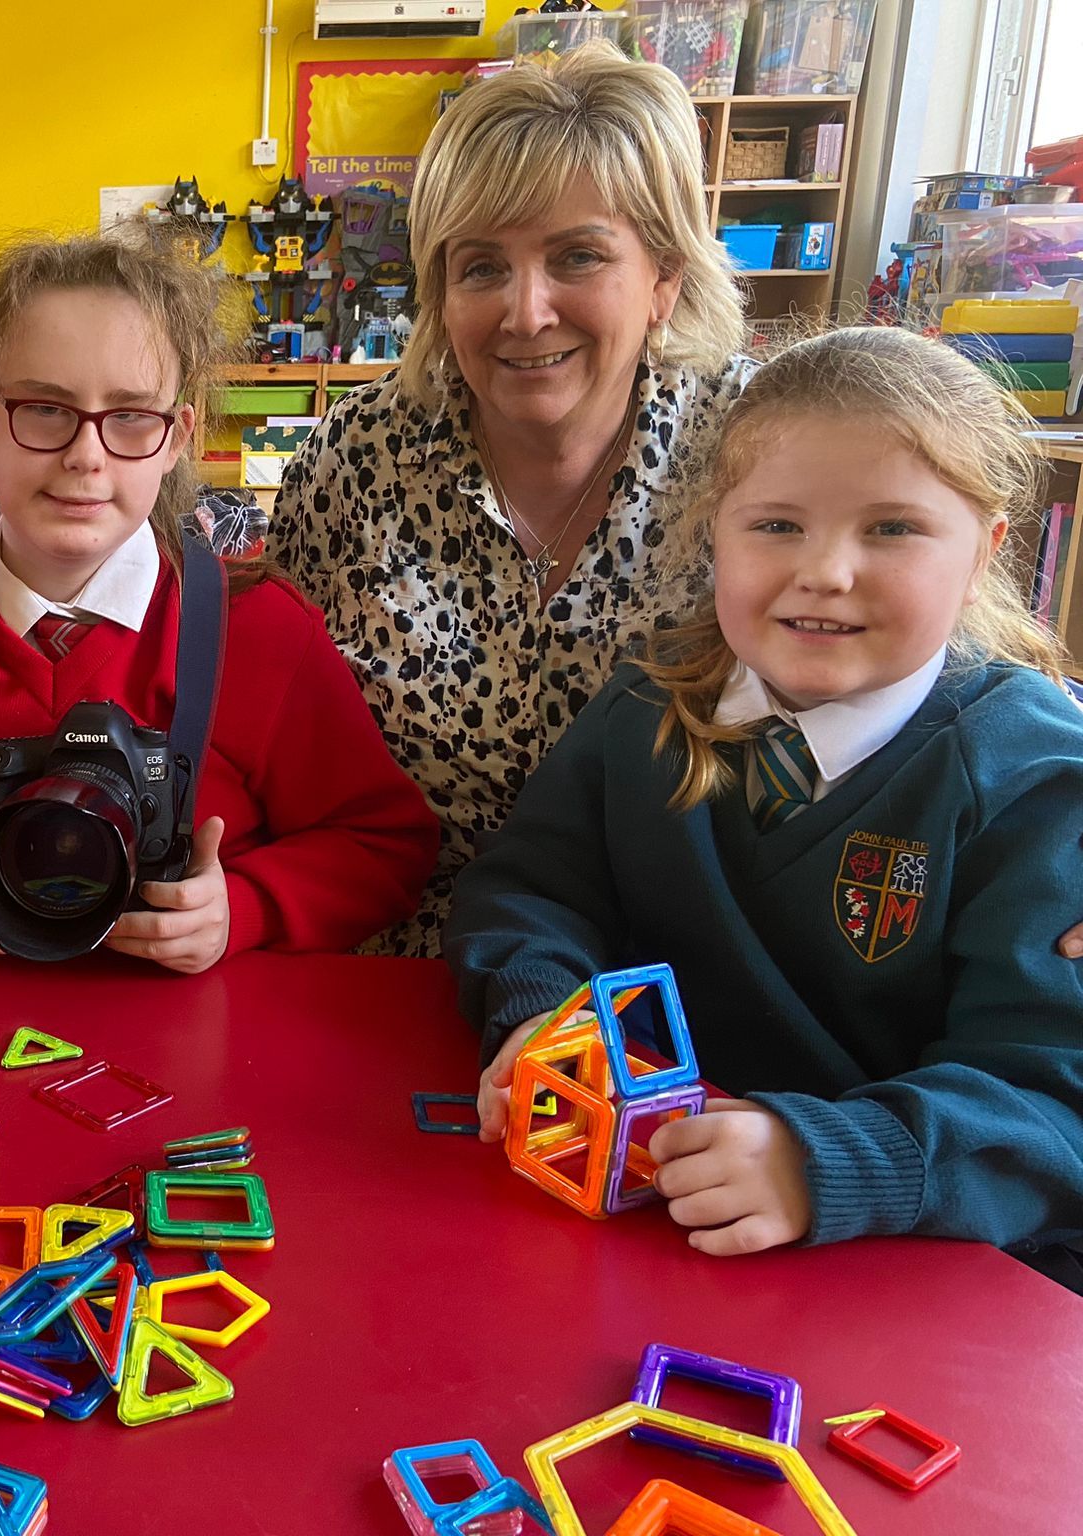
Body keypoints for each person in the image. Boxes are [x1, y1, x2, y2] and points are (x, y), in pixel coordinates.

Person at [445, 329, 1083, 1281]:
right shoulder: (645, 708)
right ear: (715, 533)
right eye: (776, 524)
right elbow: (532, 889)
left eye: (893, 528)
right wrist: (550, 1013)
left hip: (916, 1273)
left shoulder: (1031, 778)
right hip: (645, 1234)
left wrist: (825, 1162)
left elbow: (1047, 1099)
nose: (826, 571)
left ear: (986, 548)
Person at [0, 229, 439, 972]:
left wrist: (244, 907)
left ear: (178, 437)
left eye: (132, 416)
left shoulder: (259, 633)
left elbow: (387, 845)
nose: (86, 454)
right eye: (44, 408)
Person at [271, 47, 753, 956]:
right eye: (482, 266)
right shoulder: (355, 459)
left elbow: (938, 671)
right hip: (397, 971)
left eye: (578, 257)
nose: (525, 312)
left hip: (681, 994)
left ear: (664, 277)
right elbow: (265, 726)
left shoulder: (758, 450)